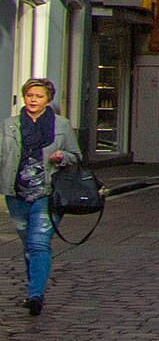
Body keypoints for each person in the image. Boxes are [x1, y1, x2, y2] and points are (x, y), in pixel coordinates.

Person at [3, 79, 76, 316]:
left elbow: (76, 156)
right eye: (30, 95)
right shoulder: (9, 125)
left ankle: (36, 295)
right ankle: (33, 290)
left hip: (49, 193)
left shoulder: (62, 125)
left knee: (39, 243)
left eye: (39, 96)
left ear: (48, 99)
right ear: (24, 97)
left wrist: (62, 156)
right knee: (28, 247)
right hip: (17, 193)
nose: (33, 100)